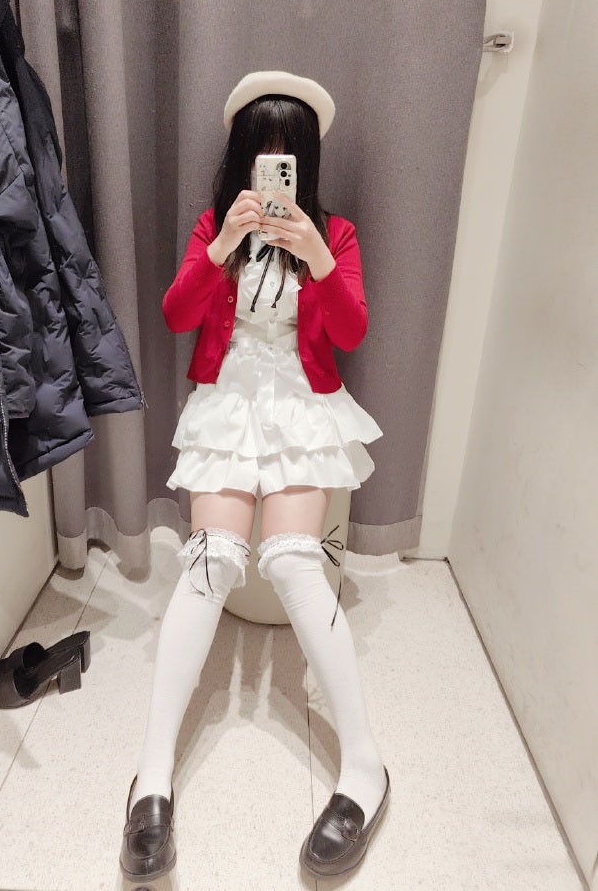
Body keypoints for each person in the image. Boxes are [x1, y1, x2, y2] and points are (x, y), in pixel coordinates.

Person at [119, 70, 390, 883]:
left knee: (297, 564)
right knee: (210, 563)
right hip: (229, 398)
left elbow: (351, 331)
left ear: (305, 164)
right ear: (242, 158)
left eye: (288, 155)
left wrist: (318, 257)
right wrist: (217, 250)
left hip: (302, 400)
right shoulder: (217, 225)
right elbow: (175, 315)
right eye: (262, 153)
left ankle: (366, 766)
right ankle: (152, 776)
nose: (274, 169)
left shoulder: (334, 234)